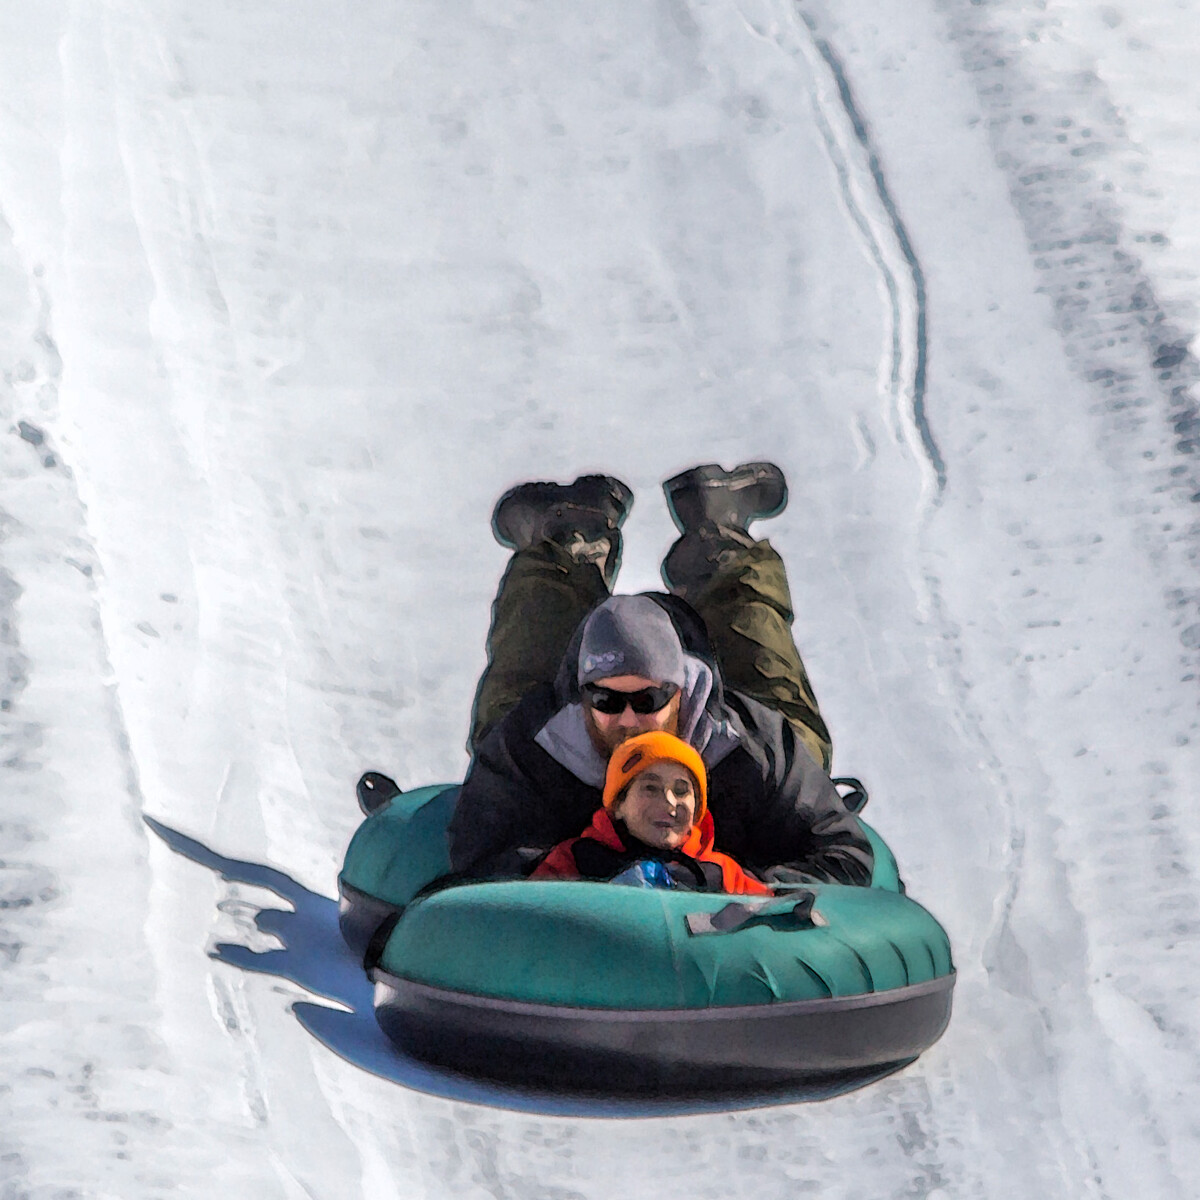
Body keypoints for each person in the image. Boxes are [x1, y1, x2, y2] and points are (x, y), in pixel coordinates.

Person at [446, 462, 874, 887]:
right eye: (607, 701)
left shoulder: (754, 747)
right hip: (577, 868)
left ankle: (720, 540)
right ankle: (567, 537)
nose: (628, 720)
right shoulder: (533, 744)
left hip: (729, 876)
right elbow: (484, 859)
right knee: (510, 703)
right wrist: (590, 886)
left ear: (681, 692)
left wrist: (732, 891)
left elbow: (841, 852)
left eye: (647, 701)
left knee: (797, 735)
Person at [531, 731, 772, 895]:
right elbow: (530, 922)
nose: (669, 802)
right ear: (619, 804)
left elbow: (771, 925)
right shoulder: (575, 860)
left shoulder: (721, 873)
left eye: (681, 791)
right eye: (650, 788)